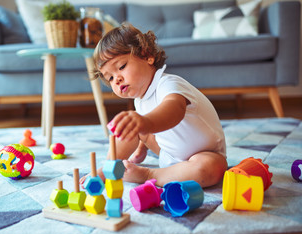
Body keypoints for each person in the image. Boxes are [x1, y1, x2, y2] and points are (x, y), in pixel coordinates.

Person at [80, 23, 227, 188]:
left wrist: (145, 122)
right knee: (130, 128)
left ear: (147, 56)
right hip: (169, 155)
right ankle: (108, 167)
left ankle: (149, 175)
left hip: (204, 155)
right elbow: (145, 128)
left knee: (211, 169)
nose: (117, 79)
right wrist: (142, 145)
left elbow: (173, 110)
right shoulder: (140, 101)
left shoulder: (168, 83)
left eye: (121, 67)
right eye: (110, 78)